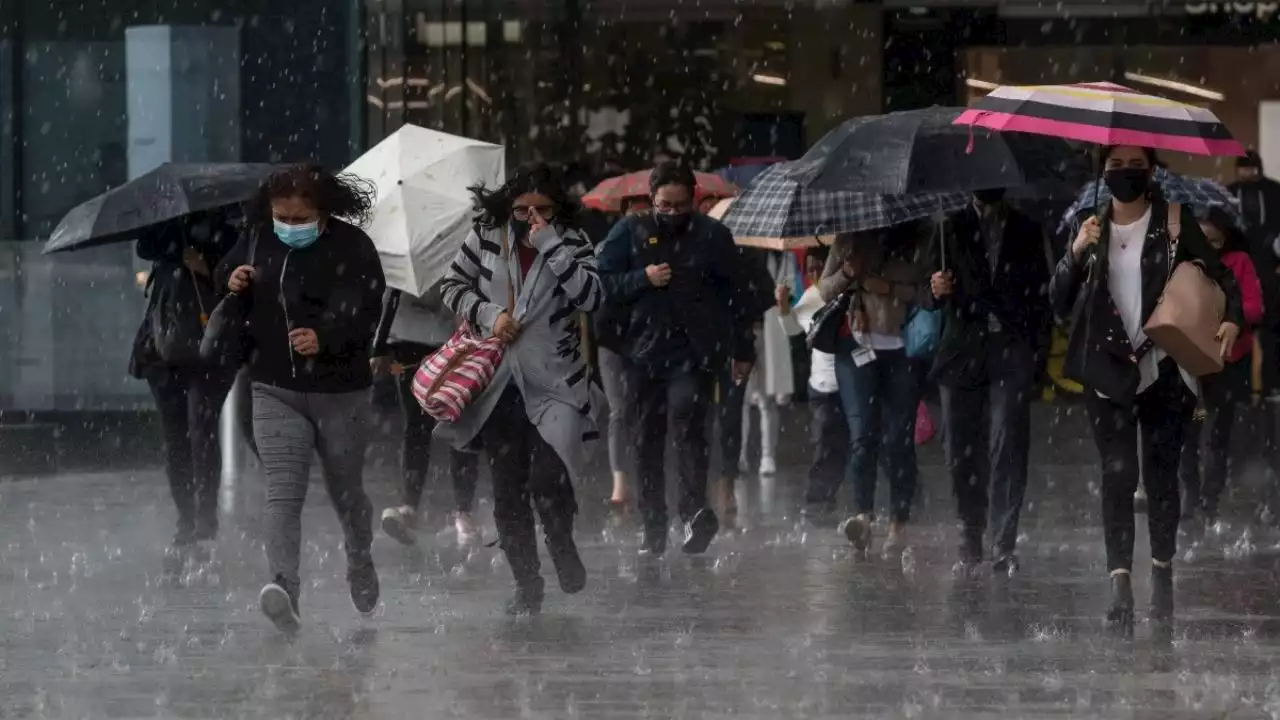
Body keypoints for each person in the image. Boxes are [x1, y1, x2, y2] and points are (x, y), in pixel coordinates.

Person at [1049, 145, 1242, 634]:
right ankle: (1119, 581)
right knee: (1117, 476)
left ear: (1151, 171)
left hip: (1163, 368)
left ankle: (1161, 569)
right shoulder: (1089, 227)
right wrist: (1076, 253)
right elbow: (1056, 300)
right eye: (1115, 166)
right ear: (1103, 172)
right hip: (1107, 370)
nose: (1125, 175)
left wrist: (1233, 321)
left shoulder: (1175, 222)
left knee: (1160, 477)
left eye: (1134, 166)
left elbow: (1223, 278)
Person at [218, 165, 386, 633]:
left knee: (346, 491)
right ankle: (284, 589)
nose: (290, 225)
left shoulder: (353, 247)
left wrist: (327, 336)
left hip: (341, 392)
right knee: (283, 492)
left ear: (324, 211)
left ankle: (359, 556)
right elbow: (223, 271)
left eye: (300, 217)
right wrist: (232, 277)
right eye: (281, 216)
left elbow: (368, 310)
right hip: (275, 387)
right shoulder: (257, 237)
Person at [437, 162, 603, 615]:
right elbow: (451, 285)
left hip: (557, 381)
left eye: (541, 210)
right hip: (498, 382)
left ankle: (561, 540)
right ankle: (526, 584)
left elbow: (591, 297)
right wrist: (489, 315)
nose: (530, 217)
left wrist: (551, 245)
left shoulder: (571, 240)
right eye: (521, 209)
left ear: (557, 209)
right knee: (508, 491)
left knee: (548, 479)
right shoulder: (486, 236)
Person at [597, 162, 760, 557]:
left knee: (689, 427)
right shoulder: (630, 230)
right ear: (651, 200)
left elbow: (738, 294)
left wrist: (743, 350)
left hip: (695, 350)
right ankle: (653, 524)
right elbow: (601, 281)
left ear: (695, 199)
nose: (671, 213)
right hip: (642, 352)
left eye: (680, 205)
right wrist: (642, 278)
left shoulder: (713, 236)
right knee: (645, 439)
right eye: (664, 205)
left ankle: (692, 515)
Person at [930, 189, 1052, 575]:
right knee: (961, 447)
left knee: (1008, 442)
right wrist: (935, 289)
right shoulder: (948, 228)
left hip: (1011, 350)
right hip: (962, 351)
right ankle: (970, 531)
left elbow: (1041, 298)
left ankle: (1004, 541)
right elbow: (925, 291)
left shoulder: (1027, 230)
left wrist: (1036, 356)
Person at [817, 223, 931, 557]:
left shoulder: (920, 238)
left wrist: (888, 287)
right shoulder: (848, 238)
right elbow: (824, 290)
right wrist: (849, 273)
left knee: (898, 438)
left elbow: (928, 291)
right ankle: (862, 516)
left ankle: (899, 519)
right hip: (855, 349)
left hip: (904, 348)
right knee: (863, 434)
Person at [129, 212, 240, 552]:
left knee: (201, 429)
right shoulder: (163, 224)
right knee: (176, 437)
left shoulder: (227, 226)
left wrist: (206, 263)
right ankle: (186, 520)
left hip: (210, 347)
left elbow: (241, 274)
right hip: (163, 347)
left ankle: (205, 520)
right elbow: (144, 245)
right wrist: (178, 249)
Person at [372, 285, 482, 547]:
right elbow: (392, 292)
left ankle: (461, 511)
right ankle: (416, 506)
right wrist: (379, 345)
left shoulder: (461, 251)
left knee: (450, 423)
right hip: (413, 343)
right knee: (421, 425)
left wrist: (379, 344)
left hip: (446, 342)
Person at [1180, 206, 1263, 527]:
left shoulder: (1240, 263)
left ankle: (1209, 498)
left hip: (1229, 363)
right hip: (1192, 363)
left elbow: (1255, 308)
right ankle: (1190, 493)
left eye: (1213, 242)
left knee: (1217, 434)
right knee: (1190, 431)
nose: (1206, 247)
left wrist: (1227, 313)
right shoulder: (1184, 263)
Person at [783, 249, 848, 524]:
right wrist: (784, 309)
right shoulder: (810, 298)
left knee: (853, 442)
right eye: (809, 269)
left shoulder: (846, 295)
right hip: (822, 385)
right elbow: (793, 329)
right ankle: (819, 498)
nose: (814, 274)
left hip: (850, 380)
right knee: (825, 443)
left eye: (819, 268)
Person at [739, 250, 798, 476]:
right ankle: (740, 454)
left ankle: (767, 455)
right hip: (744, 331)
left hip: (769, 331)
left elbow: (790, 292)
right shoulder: (740, 252)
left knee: (767, 399)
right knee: (741, 400)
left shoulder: (781, 255)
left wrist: (783, 297)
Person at [1229, 151, 1280, 400]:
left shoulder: (1273, 192)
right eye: (1243, 168)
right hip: (1239, 265)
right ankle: (1242, 386)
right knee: (1240, 324)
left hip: (1268, 265)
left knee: (1271, 327)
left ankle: (1271, 383)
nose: (1247, 173)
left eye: (1251, 168)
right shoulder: (1229, 193)